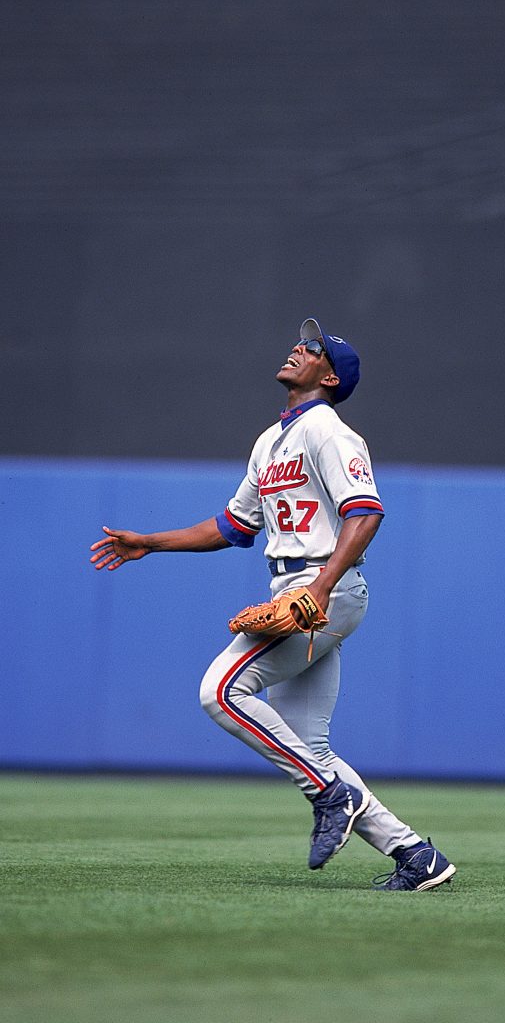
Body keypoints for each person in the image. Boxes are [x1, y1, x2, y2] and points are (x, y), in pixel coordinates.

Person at [90, 317, 456, 892]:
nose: (298, 348)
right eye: (301, 342)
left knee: (221, 692)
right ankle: (414, 855)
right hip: (294, 590)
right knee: (309, 746)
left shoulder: (330, 432)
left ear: (330, 376)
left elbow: (366, 512)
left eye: (313, 349)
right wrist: (150, 542)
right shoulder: (270, 440)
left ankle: (329, 795)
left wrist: (319, 588)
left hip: (321, 589)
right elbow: (234, 526)